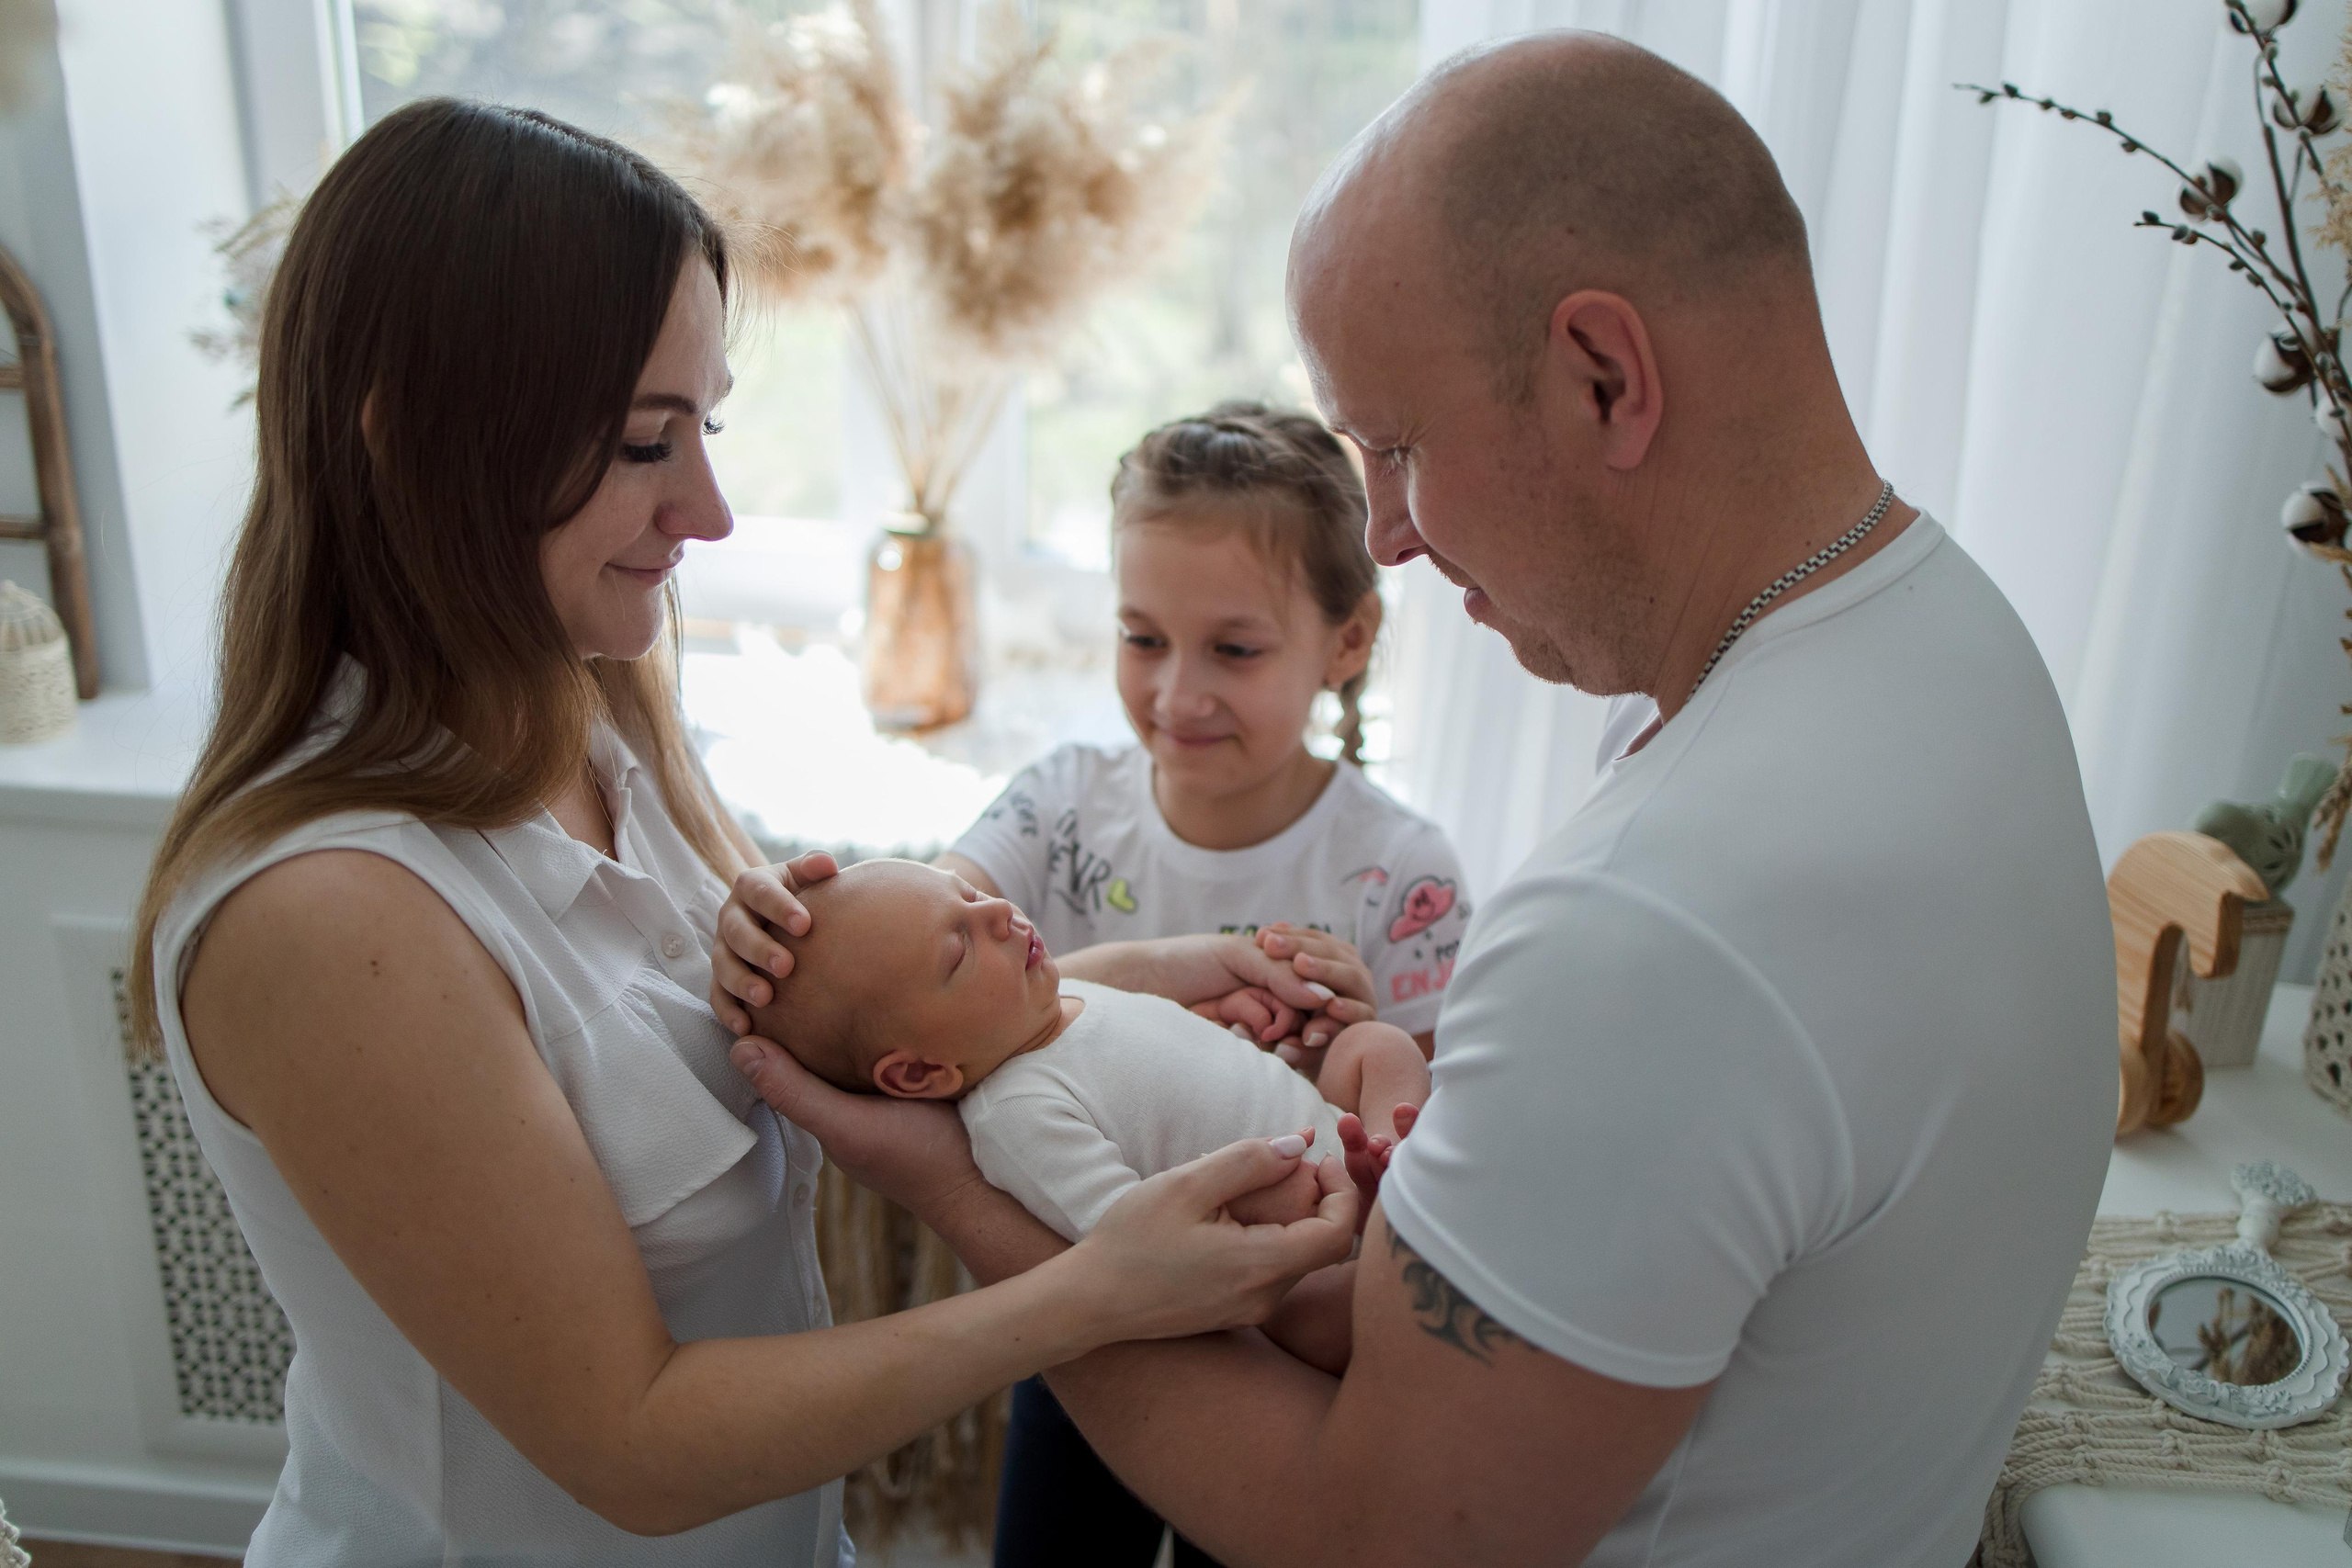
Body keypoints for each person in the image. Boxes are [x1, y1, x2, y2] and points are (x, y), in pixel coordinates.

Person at [729, 31, 2117, 1567]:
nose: (1383, 536)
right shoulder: (1953, 639)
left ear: (1604, 376)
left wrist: (963, 1189)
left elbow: (1369, 1534)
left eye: (1397, 446)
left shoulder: (1656, 919)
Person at [128, 98, 1353, 1567]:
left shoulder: (595, 715)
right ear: (411, 442)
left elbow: (875, 1017)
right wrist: (1092, 1291)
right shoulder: (332, 918)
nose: (707, 509)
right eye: (649, 443)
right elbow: (631, 1440)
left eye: (704, 425)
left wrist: (1149, 976)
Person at [713, 400, 1469, 1567]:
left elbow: (1431, 1124)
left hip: (1301, 1294)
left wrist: (1341, 1044)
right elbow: (894, 948)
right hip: (1092, 1316)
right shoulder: (1062, 803)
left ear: (1348, 643)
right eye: (1140, 637)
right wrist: (771, 927)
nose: (1175, 695)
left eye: (1234, 648)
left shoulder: (1400, 870)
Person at [740, 857, 1428, 1252]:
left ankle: (1396, 1153)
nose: (1000, 915)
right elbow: (1133, 1239)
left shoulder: (1069, 994)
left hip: (1331, 1123)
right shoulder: (1016, 1115)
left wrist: (1241, 1032)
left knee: (1377, 1045)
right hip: (1310, 1224)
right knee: (1315, 1306)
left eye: (973, 895)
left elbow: (1168, 1066)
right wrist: (1259, 1206)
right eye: (960, 949)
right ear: (919, 1072)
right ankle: (1391, 1209)